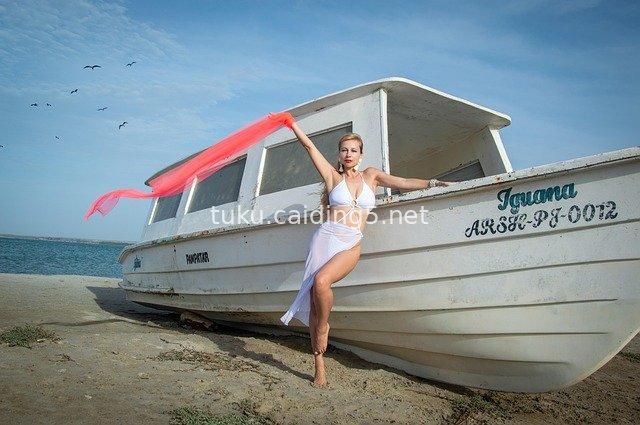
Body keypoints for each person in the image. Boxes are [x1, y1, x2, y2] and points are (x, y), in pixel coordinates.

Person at [280, 121, 455, 387]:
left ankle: (324, 327)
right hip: (325, 239)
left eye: (353, 150)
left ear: (361, 155)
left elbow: (404, 181)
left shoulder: (371, 176)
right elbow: (308, 146)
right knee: (314, 303)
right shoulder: (331, 177)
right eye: (344, 150)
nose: (348, 154)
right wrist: (292, 124)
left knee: (322, 282)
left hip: (351, 243)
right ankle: (319, 365)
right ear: (339, 154)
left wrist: (433, 182)